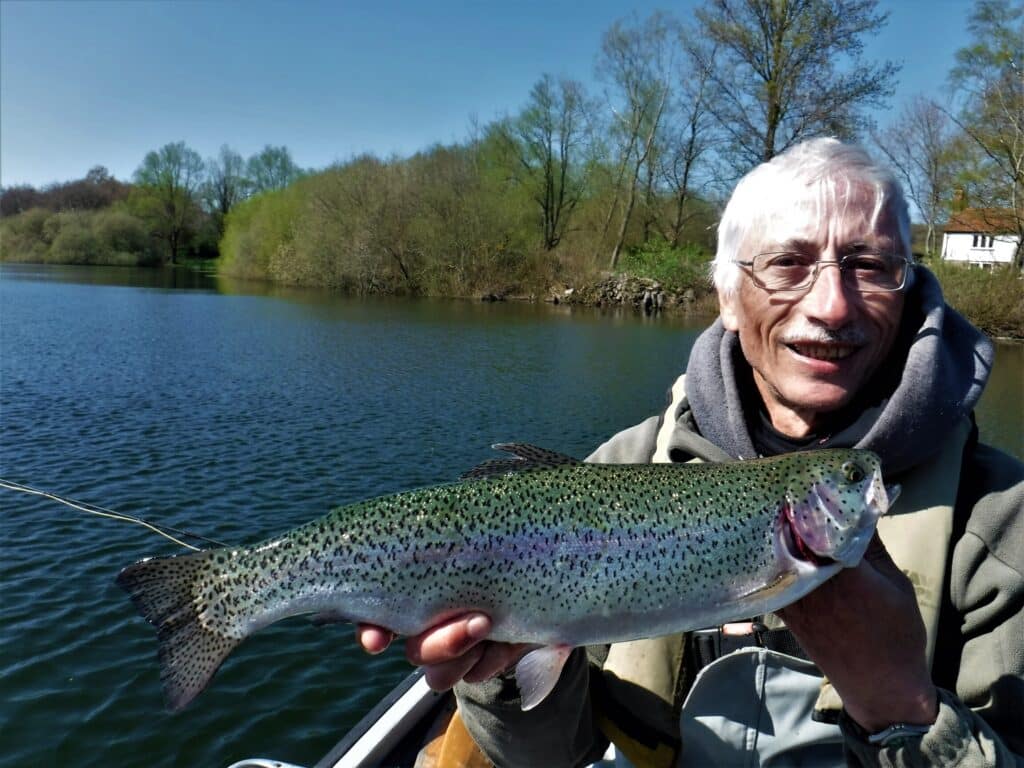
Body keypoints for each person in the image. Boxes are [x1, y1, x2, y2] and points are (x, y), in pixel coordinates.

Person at [357, 138, 1024, 767]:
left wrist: (902, 710)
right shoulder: (621, 465)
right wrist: (498, 670)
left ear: (907, 291)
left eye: (870, 266)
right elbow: (552, 756)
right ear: (728, 297)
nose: (830, 304)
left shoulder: (1002, 522)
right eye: (788, 263)